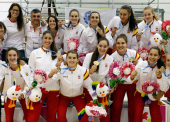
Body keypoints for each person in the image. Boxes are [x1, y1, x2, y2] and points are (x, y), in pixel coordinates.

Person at [48, 50, 96, 122]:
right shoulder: (60, 69)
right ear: (66, 59)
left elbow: (89, 86)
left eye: (74, 58)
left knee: (84, 118)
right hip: (64, 97)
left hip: (78, 96)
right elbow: (51, 81)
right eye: (69, 58)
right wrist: (50, 75)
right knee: (61, 117)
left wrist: (95, 98)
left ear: (77, 60)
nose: (71, 60)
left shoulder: (83, 71)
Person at [27, 30, 61, 122]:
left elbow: (59, 72)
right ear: (42, 39)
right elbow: (31, 71)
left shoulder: (57, 54)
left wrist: (57, 66)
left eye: (50, 38)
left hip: (53, 88)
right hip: (38, 87)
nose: (47, 40)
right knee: (33, 116)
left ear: (53, 40)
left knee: (52, 115)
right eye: (45, 38)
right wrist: (31, 85)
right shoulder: (35, 53)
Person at [129, 46, 168, 122]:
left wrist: (159, 78)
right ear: (148, 55)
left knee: (156, 115)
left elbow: (164, 86)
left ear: (159, 56)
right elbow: (133, 78)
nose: (152, 57)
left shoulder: (162, 68)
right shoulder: (141, 64)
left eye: (155, 55)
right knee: (137, 114)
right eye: (151, 54)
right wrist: (132, 76)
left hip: (154, 94)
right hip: (140, 92)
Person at [110, 34, 142, 122]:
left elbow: (142, 65)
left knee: (133, 108)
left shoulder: (133, 53)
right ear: (115, 44)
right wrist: (112, 84)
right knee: (116, 108)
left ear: (127, 43)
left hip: (132, 84)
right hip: (119, 85)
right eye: (118, 43)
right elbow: (110, 73)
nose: (120, 45)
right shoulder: (112, 57)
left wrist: (137, 64)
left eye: (123, 43)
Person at [82, 37, 114, 122]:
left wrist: (111, 86)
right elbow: (82, 73)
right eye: (100, 46)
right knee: (89, 112)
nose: (102, 48)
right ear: (97, 45)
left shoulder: (110, 59)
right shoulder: (89, 56)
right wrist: (90, 71)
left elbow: (109, 76)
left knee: (103, 112)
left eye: (105, 46)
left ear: (108, 47)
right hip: (89, 88)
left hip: (102, 89)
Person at [0, 47, 30, 122]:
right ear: (7, 56)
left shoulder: (25, 67)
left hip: (23, 94)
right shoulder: (4, 68)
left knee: (28, 116)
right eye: (10, 55)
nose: (12, 57)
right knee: (8, 119)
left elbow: (28, 84)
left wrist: (24, 93)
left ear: (18, 56)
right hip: (9, 95)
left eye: (14, 55)